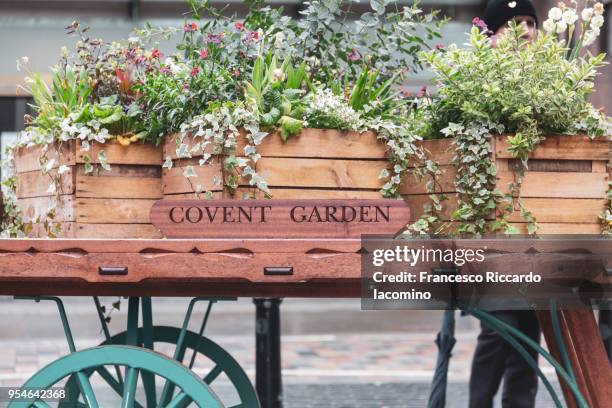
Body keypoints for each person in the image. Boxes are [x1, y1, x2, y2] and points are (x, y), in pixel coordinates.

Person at [468, 2, 541, 408]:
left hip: (535, 221)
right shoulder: (478, 78)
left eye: (531, 22)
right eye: (516, 24)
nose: (526, 30)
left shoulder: (547, 79)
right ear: (493, 33)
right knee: (500, 325)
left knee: (529, 326)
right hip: (494, 221)